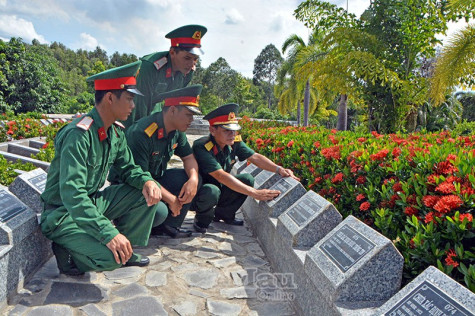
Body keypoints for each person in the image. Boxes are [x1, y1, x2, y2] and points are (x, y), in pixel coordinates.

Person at [40, 61, 163, 275]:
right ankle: (68, 256)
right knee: (109, 259)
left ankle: (126, 250)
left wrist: (146, 180)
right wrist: (107, 232)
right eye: (129, 99)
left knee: (147, 196)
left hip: (93, 201)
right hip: (63, 213)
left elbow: (128, 168)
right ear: (109, 98)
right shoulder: (78, 135)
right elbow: (73, 195)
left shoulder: (115, 132)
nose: (133, 106)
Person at [109, 84, 215, 238]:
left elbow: (188, 157)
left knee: (194, 178)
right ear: (172, 110)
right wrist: (171, 199)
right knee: (159, 211)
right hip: (131, 186)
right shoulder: (142, 132)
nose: (191, 120)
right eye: (188, 115)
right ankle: (130, 223)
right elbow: (140, 178)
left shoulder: (177, 131)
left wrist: (192, 179)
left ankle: (170, 226)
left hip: (154, 180)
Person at [192, 103, 300, 232]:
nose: (232, 134)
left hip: (222, 187)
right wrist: (254, 193)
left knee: (247, 179)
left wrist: (279, 169)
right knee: (212, 191)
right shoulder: (202, 146)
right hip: (201, 192)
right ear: (212, 130)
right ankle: (201, 218)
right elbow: (220, 175)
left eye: (234, 130)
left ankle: (223, 215)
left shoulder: (233, 142)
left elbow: (254, 157)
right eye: (227, 130)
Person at [123, 24, 207, 128]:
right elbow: (141, 104)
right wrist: (140, 134)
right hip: (131, 109)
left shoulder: (188, 72)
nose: (192, 64)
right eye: (187, 58)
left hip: (155, 108)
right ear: (172, 53)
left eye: (195, 59)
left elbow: (175, 103)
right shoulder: (150, 66)